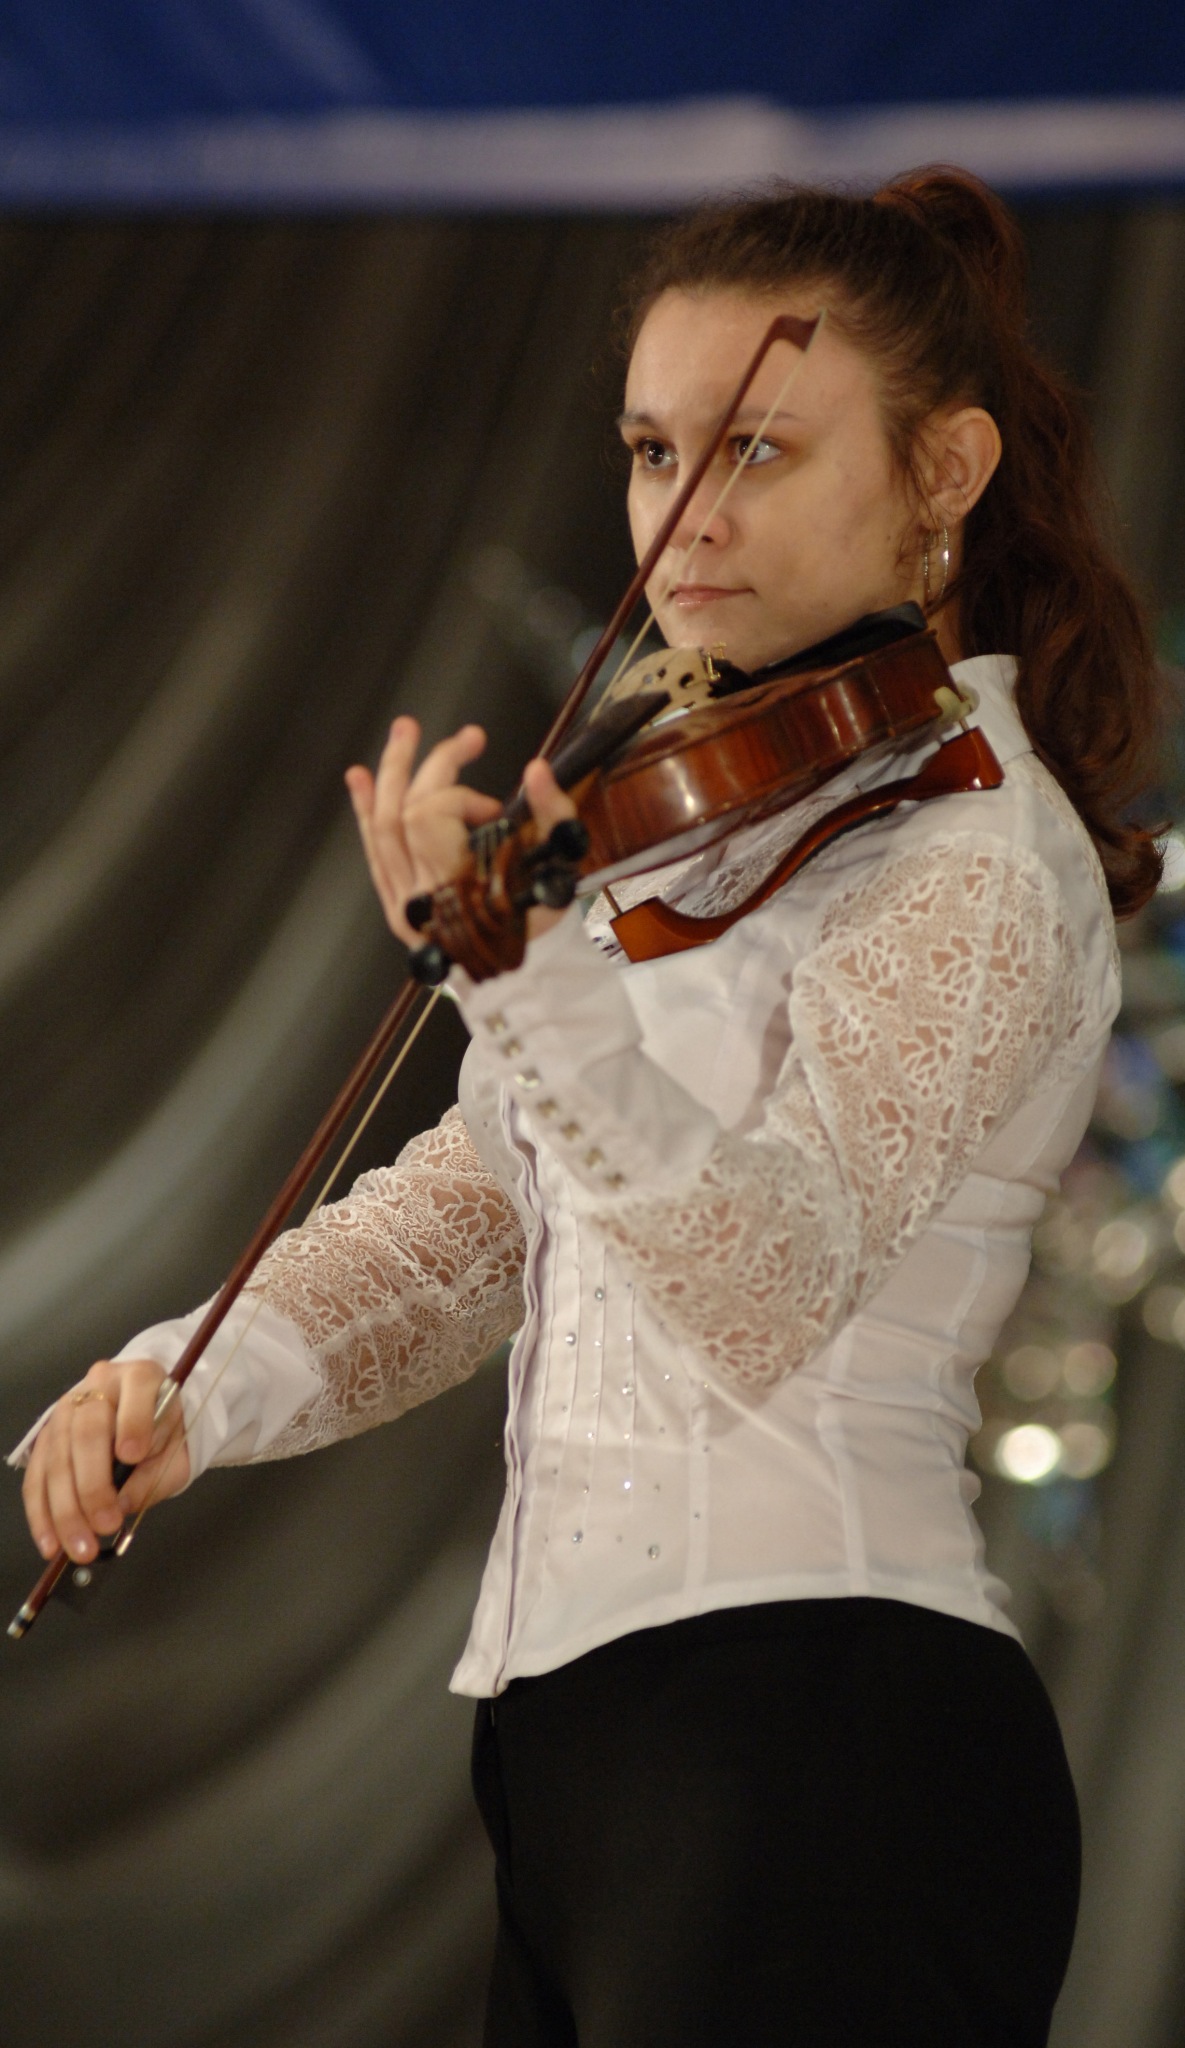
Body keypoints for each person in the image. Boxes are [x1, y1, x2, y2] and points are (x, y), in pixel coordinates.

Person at [11, 169, 1163, 2046]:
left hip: (824, 1738)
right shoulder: (703, 831)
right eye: (649, 451)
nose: (681, 515)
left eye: (755, 450)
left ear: (943, 472)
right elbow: (479, 1224)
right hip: (583, 1750)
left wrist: (525, 972)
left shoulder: (974, 854)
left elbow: (762, 1282)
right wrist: (189, 1386)